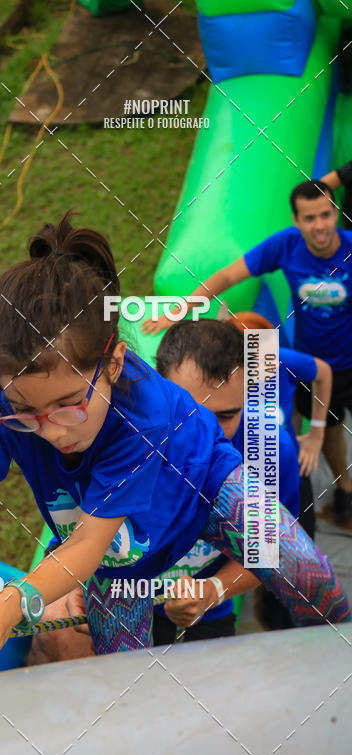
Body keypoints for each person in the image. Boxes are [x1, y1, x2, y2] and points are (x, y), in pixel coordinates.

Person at [0, 213, 350, 661]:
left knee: (306, 573)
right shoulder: (1, 411)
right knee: (119, 671)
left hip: (201, 488)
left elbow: (86, 546)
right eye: (28, 411)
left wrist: (11, 603)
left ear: (113, 363)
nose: (51, 430)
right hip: (122, 552)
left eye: (69, 404)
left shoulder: (142, 416)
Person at [143, 180, 352, 526]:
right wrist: (180, 309)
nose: (319, 226)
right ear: (296, 220)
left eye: (326, 215)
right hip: (313, 357)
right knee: (328, 427)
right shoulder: (285, 246)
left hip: (348, 360)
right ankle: (344, 486)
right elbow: (228, 275)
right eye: (309, 218)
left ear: (337, 213)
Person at [151, 319, 302, 643]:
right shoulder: (124, 437)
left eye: (226, 416)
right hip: (126, 601)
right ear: (158, 388)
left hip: (211, 607)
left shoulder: (271, 449)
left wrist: (214, 590)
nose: (206, 432)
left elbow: (268, 549)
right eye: (189, 411)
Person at [228, 310, 332, 540]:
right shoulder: (219, 382)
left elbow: (323, 373)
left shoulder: (283, 361)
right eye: (261, 356)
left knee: (302, 545)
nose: (271, 362)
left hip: (290, 475)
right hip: (241, 486)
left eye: (271, 350)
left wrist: (316, 433)